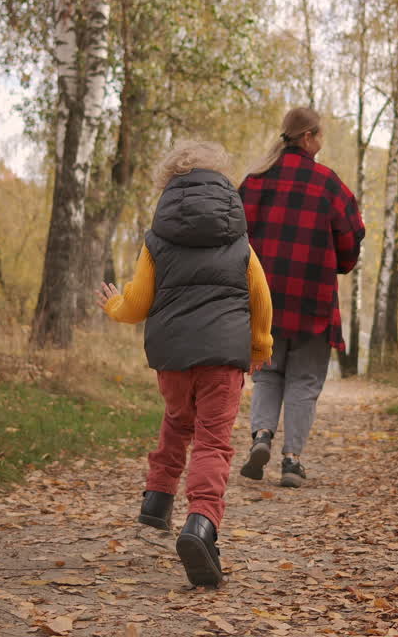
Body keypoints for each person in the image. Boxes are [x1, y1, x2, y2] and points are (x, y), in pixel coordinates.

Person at [95, 140, 273, 587]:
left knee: (177, 420)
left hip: (173, 359)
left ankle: (156, 500)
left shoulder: (157, 241)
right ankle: (201, 524)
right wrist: (259, 347)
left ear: (169, 187)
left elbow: (138, 303)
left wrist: (114, 305)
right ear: (223, 185)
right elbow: (261, 298)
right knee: (212, 442)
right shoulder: (238, 241)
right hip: (222, 362)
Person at [237, 107, 366, 488]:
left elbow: (234, 237)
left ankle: (261, 436)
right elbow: (351, 236)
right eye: (320, 134)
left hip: (263, 299)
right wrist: (338, 263)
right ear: (308, 137)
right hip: (312, 299)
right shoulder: (328, 184)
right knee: (305, 382)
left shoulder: (254, 181)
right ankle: (291, 461)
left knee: (266, 375)